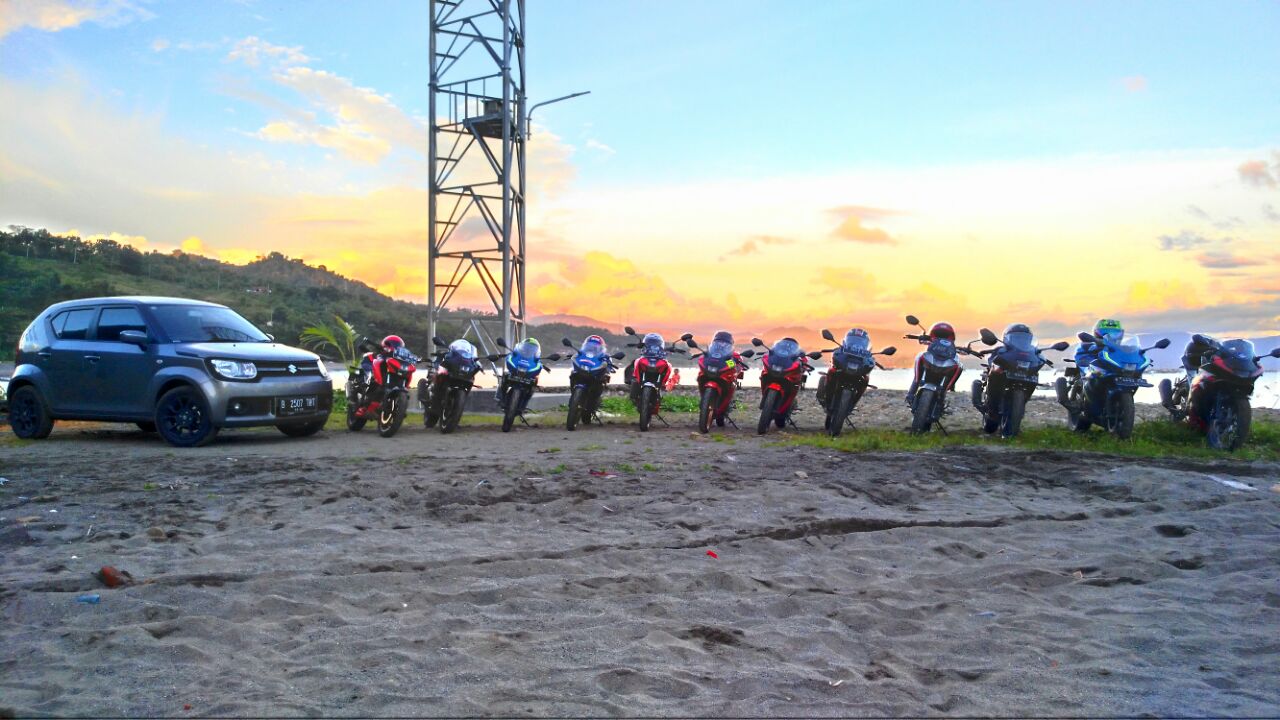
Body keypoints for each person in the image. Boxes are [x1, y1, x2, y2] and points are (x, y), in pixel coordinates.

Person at [906, 322, 957, 405]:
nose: (941, 338)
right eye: (938, 335)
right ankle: (911, 394)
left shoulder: (951, 348)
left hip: (945, 365)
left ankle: (946, 391)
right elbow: (923, 341)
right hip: (930, 361)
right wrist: (919, 337)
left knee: (958, 365)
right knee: (920, 357)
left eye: (945, 335)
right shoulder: (928, 348)